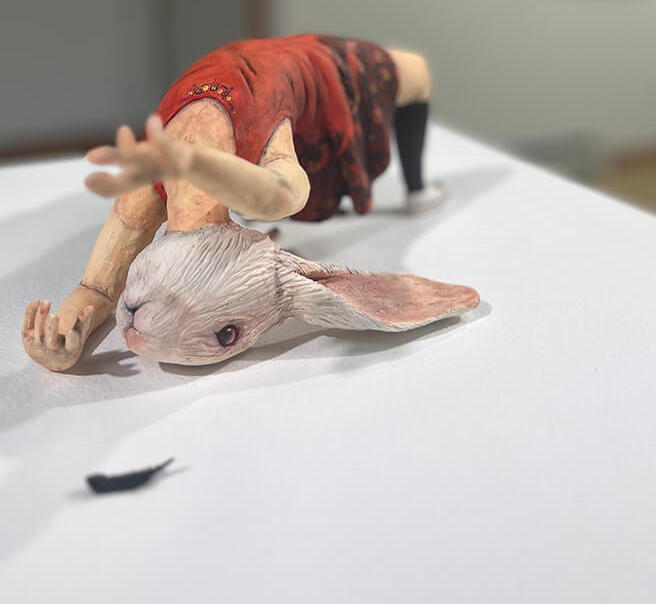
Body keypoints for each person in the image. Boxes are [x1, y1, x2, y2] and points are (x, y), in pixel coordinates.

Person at [22, 35, 452, 372]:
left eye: (227, 333)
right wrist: (65, 344)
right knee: (415, 72)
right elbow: (98, 289)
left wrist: (64, 335)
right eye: (225, 333)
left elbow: (286, 194)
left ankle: (417, 190)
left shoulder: (151, 185)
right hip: (281, 72)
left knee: (415, 72)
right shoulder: (179, 171)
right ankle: (418, 191)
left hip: (291, 66)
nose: (142, 331)